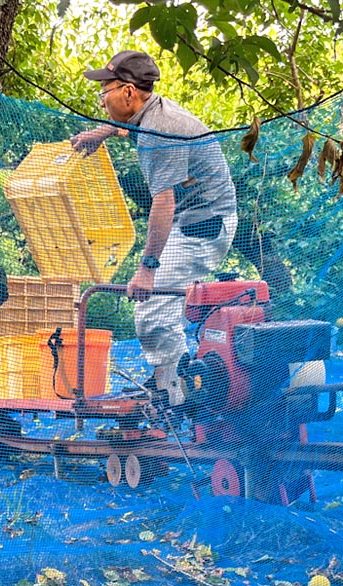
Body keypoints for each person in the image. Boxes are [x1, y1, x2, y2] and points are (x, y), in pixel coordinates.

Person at [72, 50, 237, 410]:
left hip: (204, 225)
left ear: (129, 92)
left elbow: (163, 203)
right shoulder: (149, 112)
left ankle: (179, 395)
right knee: (157, 307)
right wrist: (102, 132)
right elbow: (125, 125)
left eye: (104, 92)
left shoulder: (157, 132)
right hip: (195, 219)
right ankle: (170, 376)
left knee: (150, 309)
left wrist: (147, 269)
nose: (100, 101)